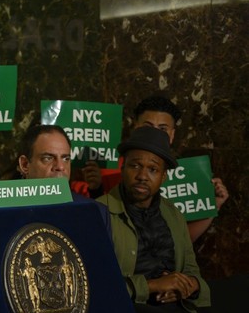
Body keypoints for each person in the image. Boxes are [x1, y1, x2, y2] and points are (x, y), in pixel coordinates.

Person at [96, 126, 210, 313]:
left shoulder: (173, 214)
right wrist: (154, 285)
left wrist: (187, 286)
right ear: (123, 167)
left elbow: (192, 269)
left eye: (152, 169)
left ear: (164, 176)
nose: (142, 176)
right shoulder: (99, 212)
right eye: (135, 166)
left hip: (177, 305)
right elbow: (98, 286)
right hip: (128, 309)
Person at [78, 95, 229, 242]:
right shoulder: (107, 170)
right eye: (147, 127)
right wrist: (96, 188)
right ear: (135, 127)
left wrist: (212, 206)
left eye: (162, 129)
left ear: (172, 134)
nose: (154, 134)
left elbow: (182, 241)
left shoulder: (187, 176)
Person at [17, 124, 111, 235]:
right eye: (48, 158)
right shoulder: (2, 211)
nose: (60, 167)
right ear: (25, 165)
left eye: (66, 158)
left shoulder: (96, 213)